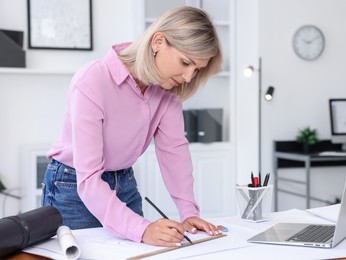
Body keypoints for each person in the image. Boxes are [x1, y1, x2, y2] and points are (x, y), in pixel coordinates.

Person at [41, 5, 223, 247]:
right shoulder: (93, 80)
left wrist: (188, 212)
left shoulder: (168, 92)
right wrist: (143, 228)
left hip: (124, 182)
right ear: (158, 41)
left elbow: (174, 151)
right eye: (185, 62)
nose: (189, 77)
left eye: (196, 69)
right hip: (73, 186)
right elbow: (89, 180)